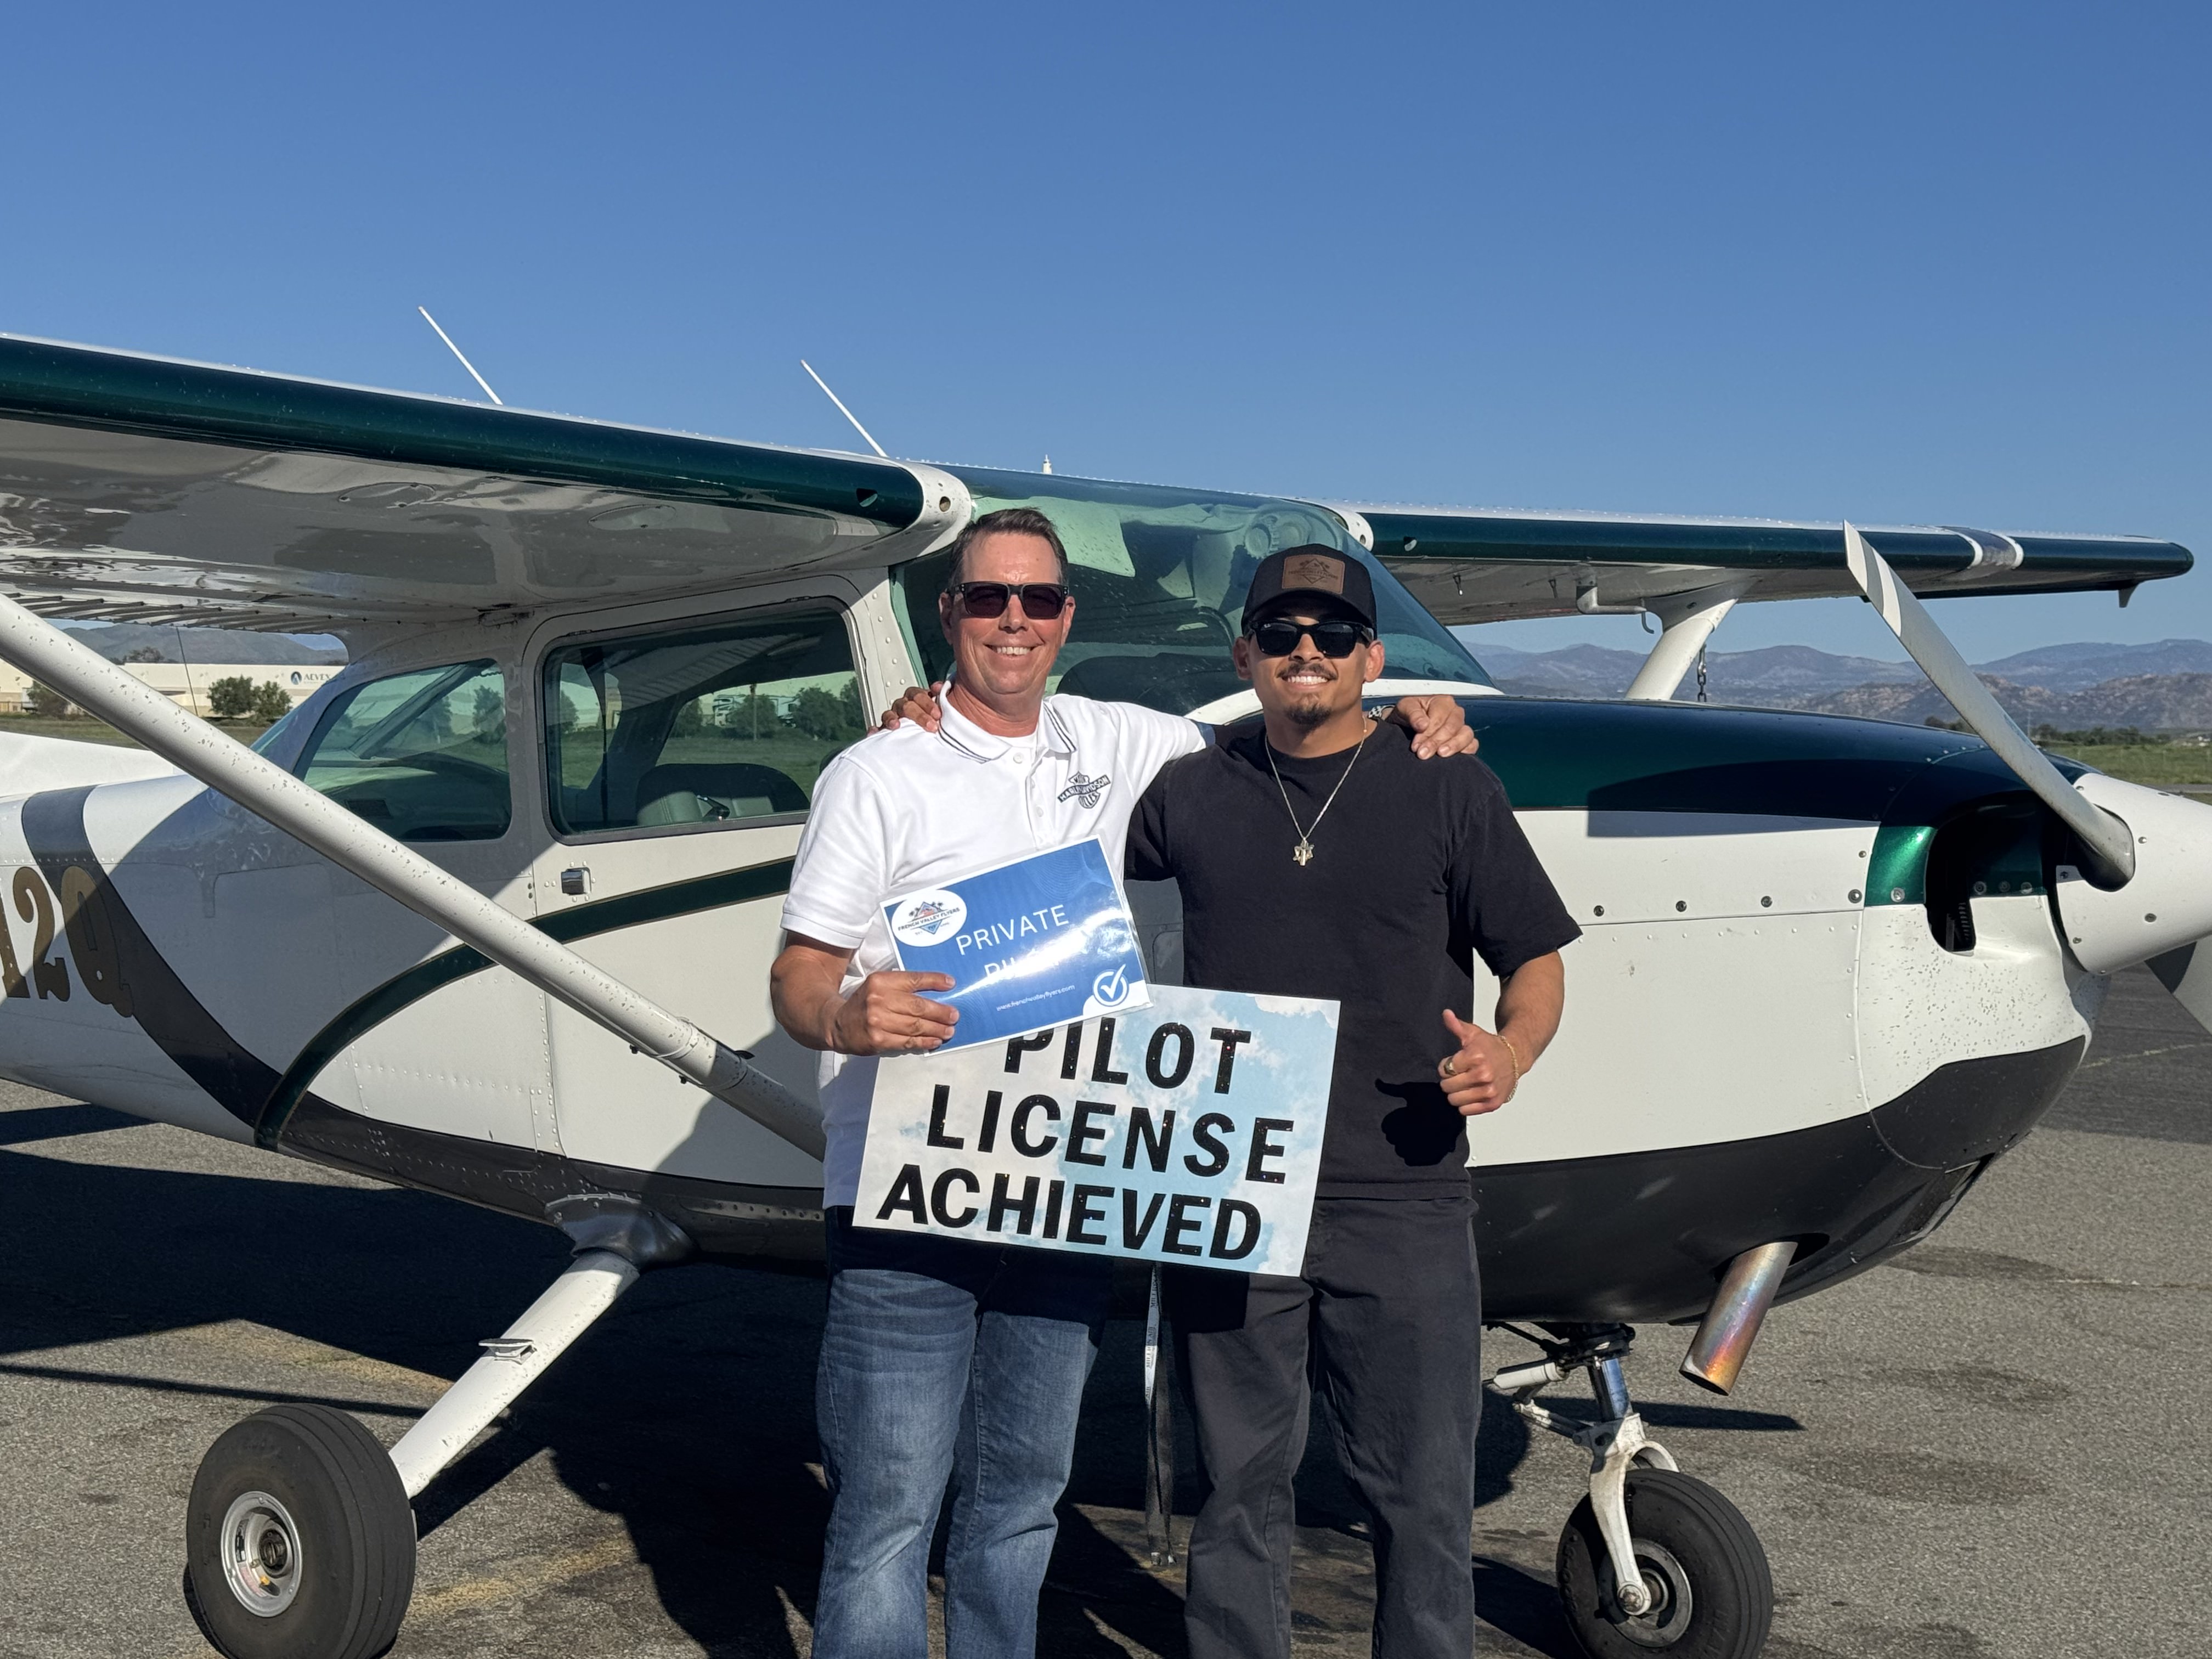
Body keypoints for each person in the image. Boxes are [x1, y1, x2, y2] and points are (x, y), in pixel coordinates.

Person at [768, 507, 1476, 1659]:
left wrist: (1412, 720)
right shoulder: (875, 773)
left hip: (1060, 1195)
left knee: (1017, 1506)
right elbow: (799, 977)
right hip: (909, 1198)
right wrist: (845, 1013)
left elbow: (1292, 730)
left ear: (1065, 619)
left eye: (1037, 600)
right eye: (987, 598)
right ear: (949, 614)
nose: (1013, 620)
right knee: (889, 1509)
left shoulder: (1124, 743)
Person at [1124, 545, 1579, 1659]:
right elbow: (1091, 934)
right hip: (1233, 1186)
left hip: (1404, 1191)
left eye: (1333, 634)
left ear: (1372, 656)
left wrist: (1512, 1055)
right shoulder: (1184, 794)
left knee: (1422, 1492)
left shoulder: (1447, 782)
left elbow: (1538, 961)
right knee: (1238, 1485)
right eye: (1280, 634)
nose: (1306, 652)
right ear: (1247, 655)